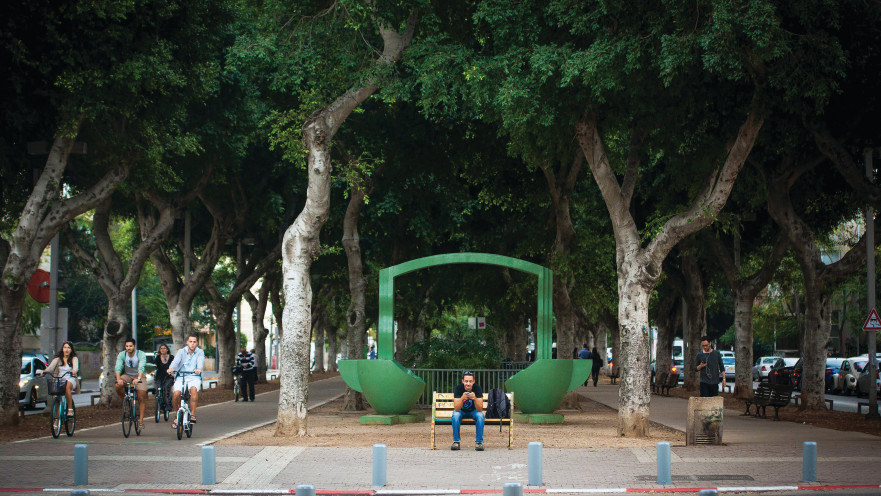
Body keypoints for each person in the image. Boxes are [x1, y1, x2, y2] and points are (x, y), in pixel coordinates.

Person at [168, 334, 204, 427]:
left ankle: (192, 415)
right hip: (181, 376)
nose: (192, 344)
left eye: (194, 342)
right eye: (190, 341)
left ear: (197, 343)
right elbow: (176, 361)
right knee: (176, 394)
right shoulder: (181, 351)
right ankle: (177, 415)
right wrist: (171, 368)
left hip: (194, 376)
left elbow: (200, 361)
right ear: (187, 342)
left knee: (193, 390)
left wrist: (199, 369)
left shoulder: (200, 352)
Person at [115, 338, 148, 430]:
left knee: (141, 396)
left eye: (130, 346)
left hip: (139, 375)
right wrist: (118, 379)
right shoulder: (122, 354)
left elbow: (141, 366)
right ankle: (126, 401)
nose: (128, 348)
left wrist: (138, 378)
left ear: (134, 346)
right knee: (118, 386)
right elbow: (118, 366)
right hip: (127, 375)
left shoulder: (140, 354)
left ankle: (141, 420)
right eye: (127, 346)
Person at [40, 341, 79, 417]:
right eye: (65, 347)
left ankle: (70, 409)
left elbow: (76, 368)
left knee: (67, 386)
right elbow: (51, 368)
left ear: (71, 350)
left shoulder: (74, 358)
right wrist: (44, 371)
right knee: (56, 398)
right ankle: (56, 420)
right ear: (62, 349)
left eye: (68, 348)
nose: (66, 349)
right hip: (60, 380)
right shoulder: (58, 359)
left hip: (70, 379)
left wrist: (73, 371)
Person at [451, 371, 485, 451]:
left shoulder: (477, 388)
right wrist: (462, 398)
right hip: (461, 411)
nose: (468, 384)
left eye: (470, 381)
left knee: (480, 416)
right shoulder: (458, 388)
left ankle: (479, 442)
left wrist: (475, 399)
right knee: (455, 415)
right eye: (466, 381)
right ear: (463, 381)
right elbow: (456, 409)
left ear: (474, 381)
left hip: (474, 412)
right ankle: (456, 442)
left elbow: (480, 409)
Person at [154, 343, 173, 412]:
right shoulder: (158, 357)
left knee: (166, 388)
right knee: (158, 389)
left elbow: (174, 366)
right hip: (159, 376)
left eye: (164, 348)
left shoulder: (171, 357)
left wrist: (173, 373)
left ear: (167, 349)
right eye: (161, 348)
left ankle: (168, 404)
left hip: (168, 376)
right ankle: (159, 404)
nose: (162, 350)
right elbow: (154, 366)